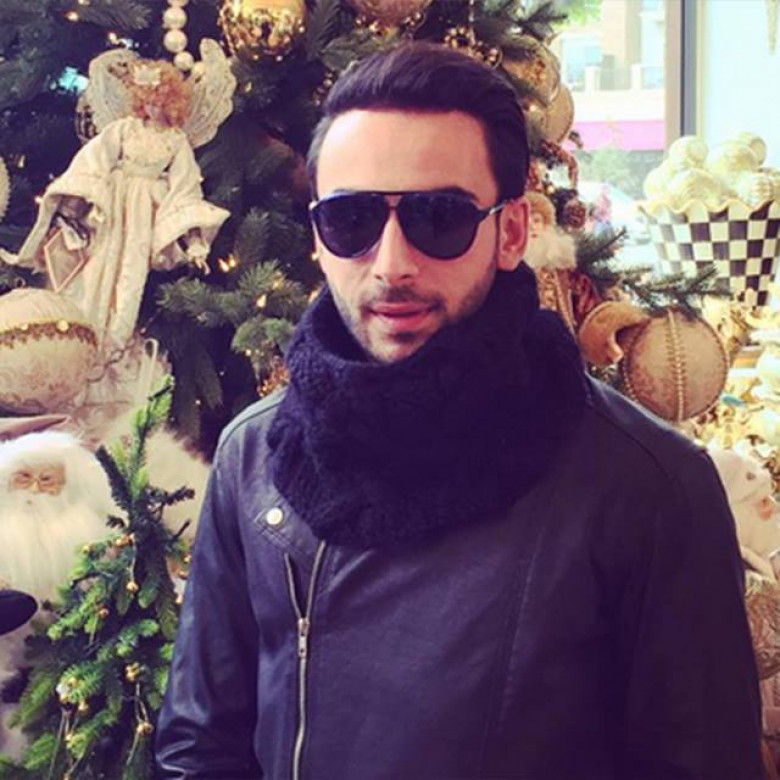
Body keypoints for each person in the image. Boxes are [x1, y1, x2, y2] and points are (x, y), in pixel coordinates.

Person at [156, 43, 763, 779]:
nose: (391, 265)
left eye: (438, 217)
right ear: (318, 235)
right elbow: (201, 746)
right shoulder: (254, 457)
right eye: (350, 219)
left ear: (511, 234)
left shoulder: (649, 487)